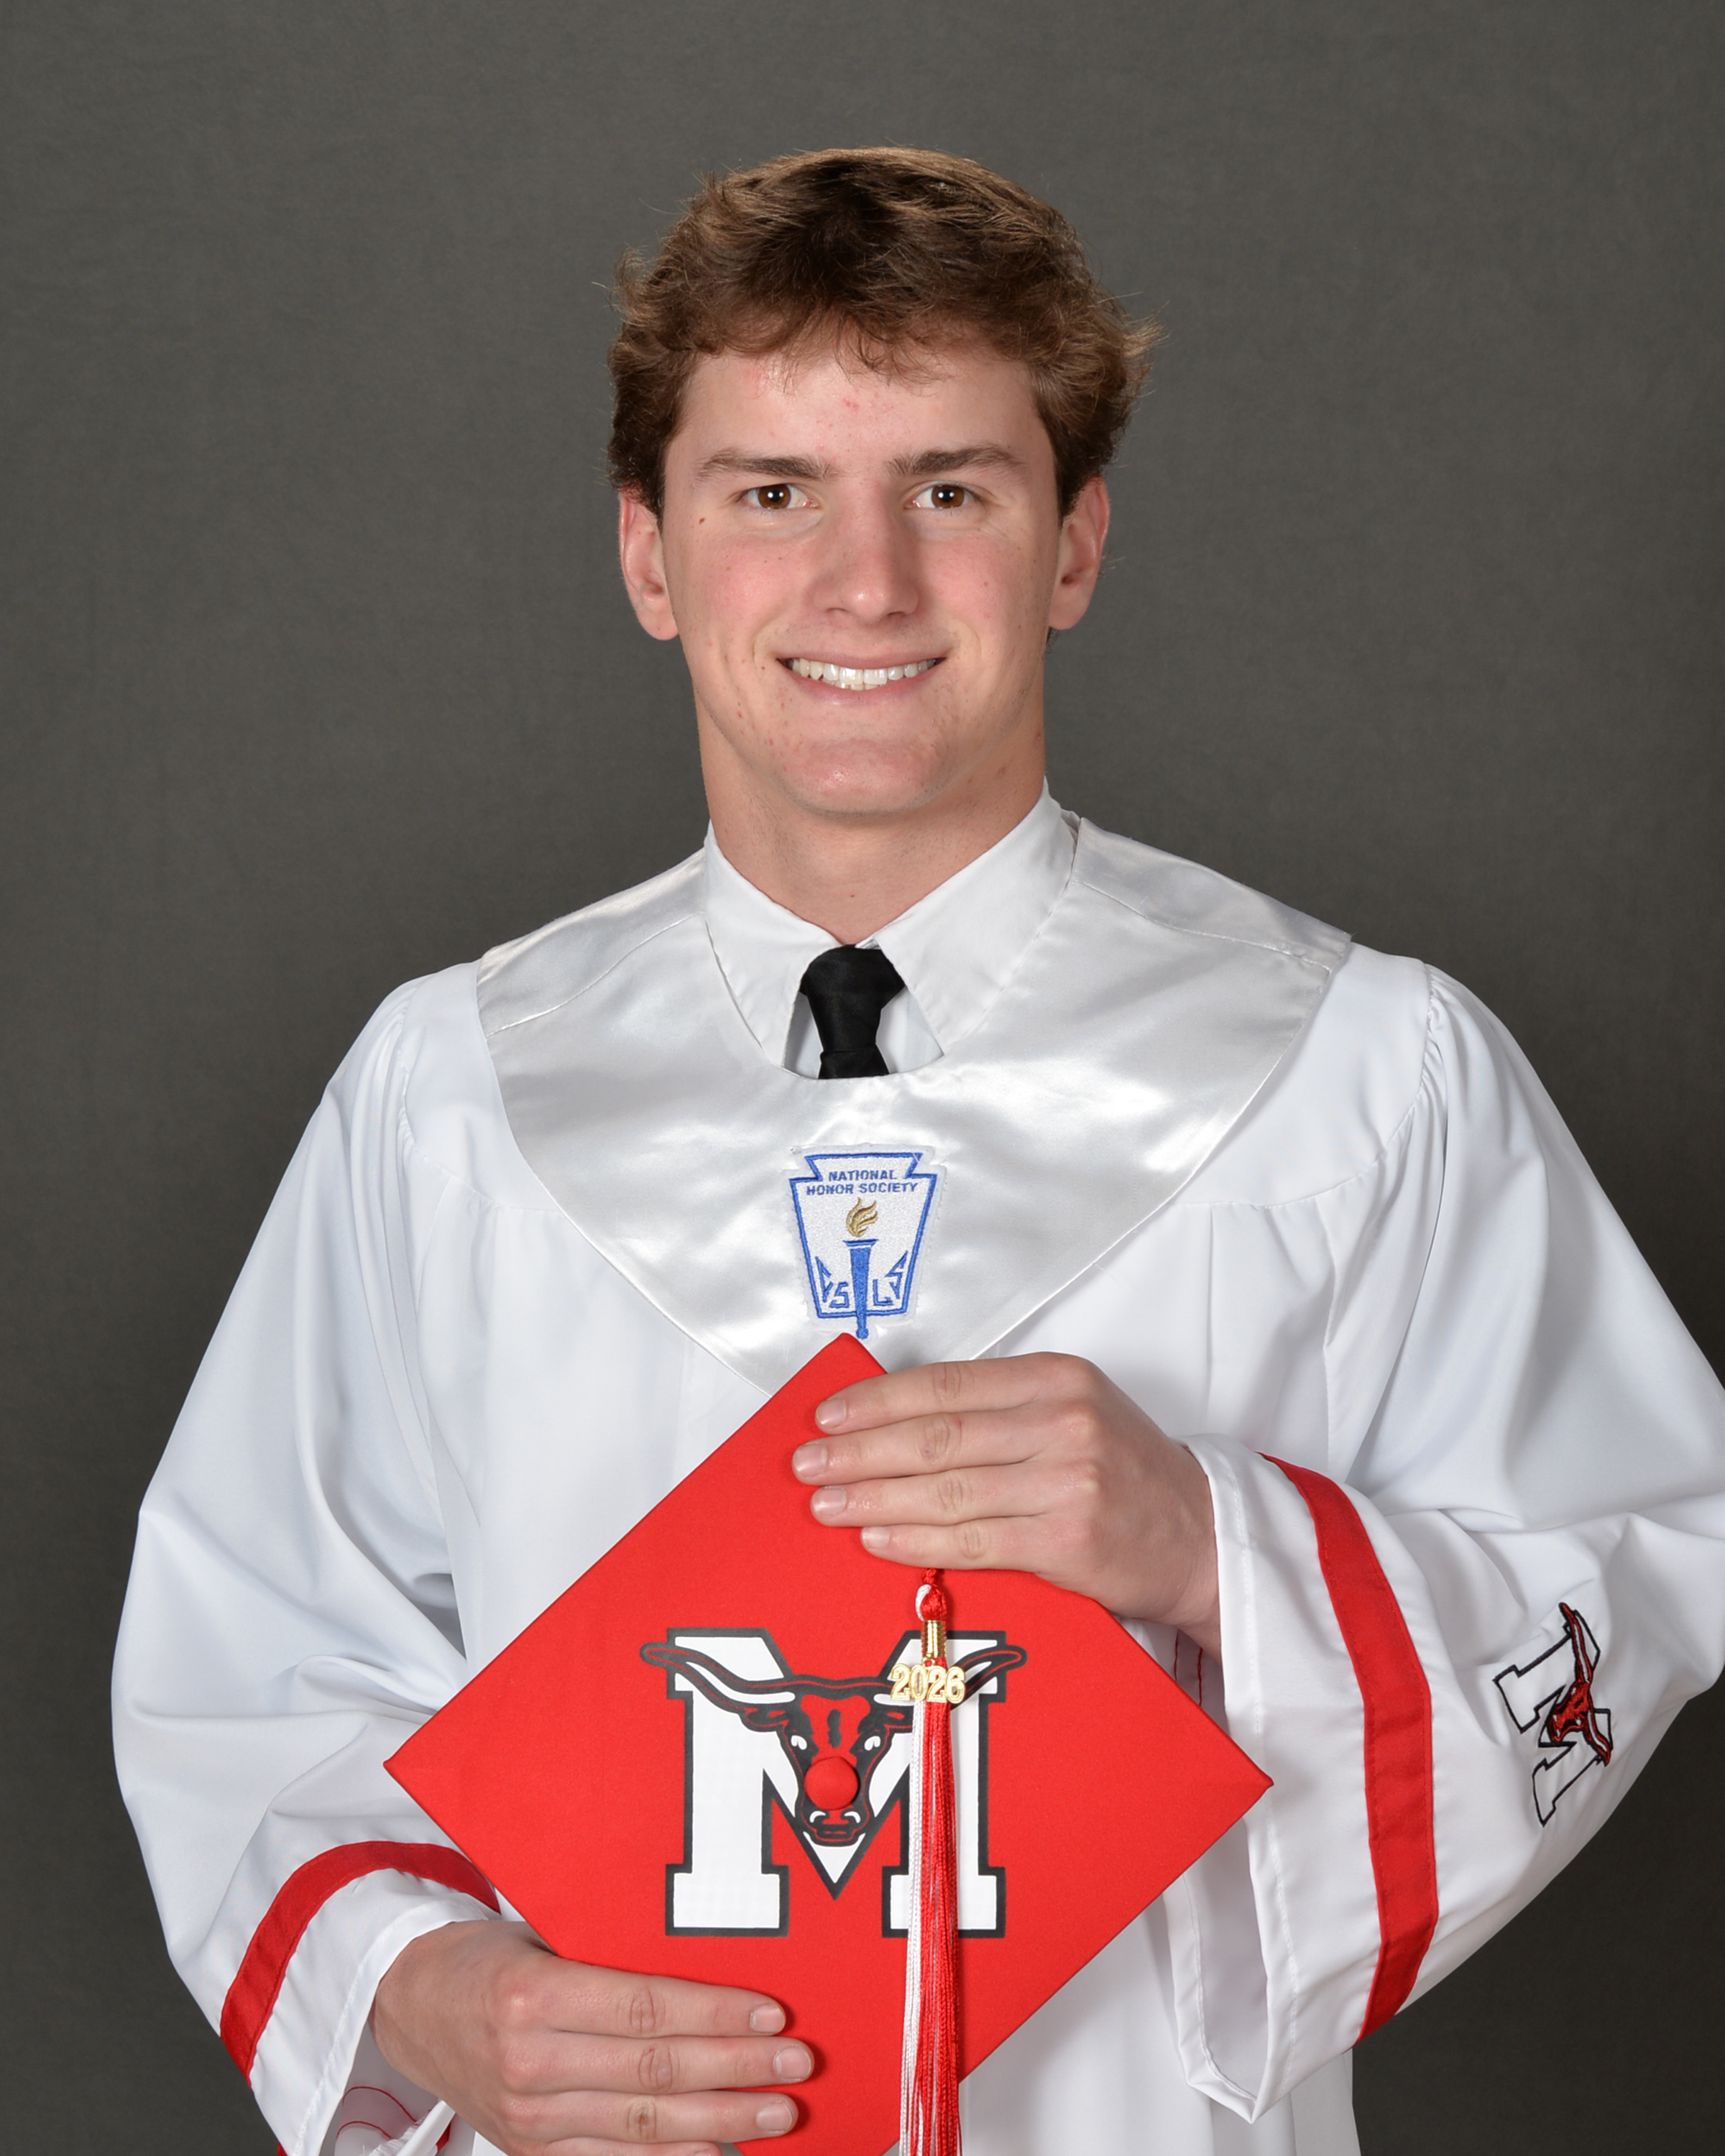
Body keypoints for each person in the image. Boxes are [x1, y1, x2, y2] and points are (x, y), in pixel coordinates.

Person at [113, 148, 1725, 2156]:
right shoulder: (451, 1096)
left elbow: (1634, 1568)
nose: (866, 584)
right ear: (648, 556)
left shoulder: (1358, 1070)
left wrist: (1210, 1542)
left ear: (1074, 545)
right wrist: (427, 1992)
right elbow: (253, 1658)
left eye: (952, 490)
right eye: (771, 493)